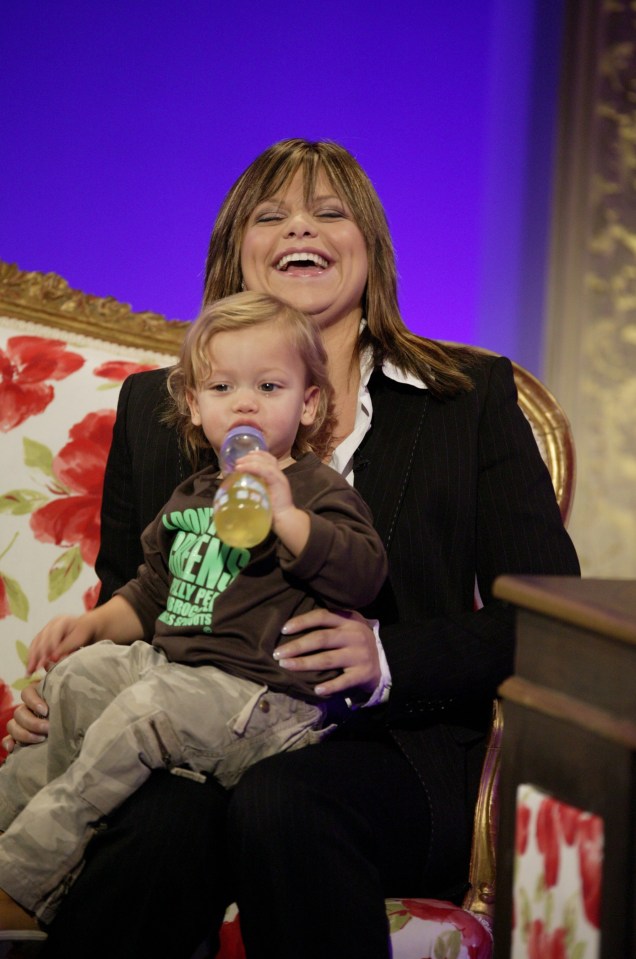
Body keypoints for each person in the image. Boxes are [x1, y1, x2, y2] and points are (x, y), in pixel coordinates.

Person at [6, 138, 580, 959]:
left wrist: (389, 657)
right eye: (270, 215)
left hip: (390, 755)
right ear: (235, 252)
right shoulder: (156, 408)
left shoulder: (468, 401)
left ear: (370, 247)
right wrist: (69, 689)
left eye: (328, 212)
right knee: (171, 813)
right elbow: (135, 591)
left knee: (281, 801)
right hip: (191, 719)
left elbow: (551, 620)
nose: (298, 228)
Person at [0, 291, 387, 931]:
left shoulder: (318, 491)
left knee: (144, 714)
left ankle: (25, 875)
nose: (244, 403)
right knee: (80, 680)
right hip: (173, 675)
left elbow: (363, 574)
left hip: (259, 702)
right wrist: (94, 627)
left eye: (269, 385)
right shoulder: (193, 493)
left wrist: (287, 516)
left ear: (309, 402)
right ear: (194, 405)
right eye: (223, 387)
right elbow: (152, 594)